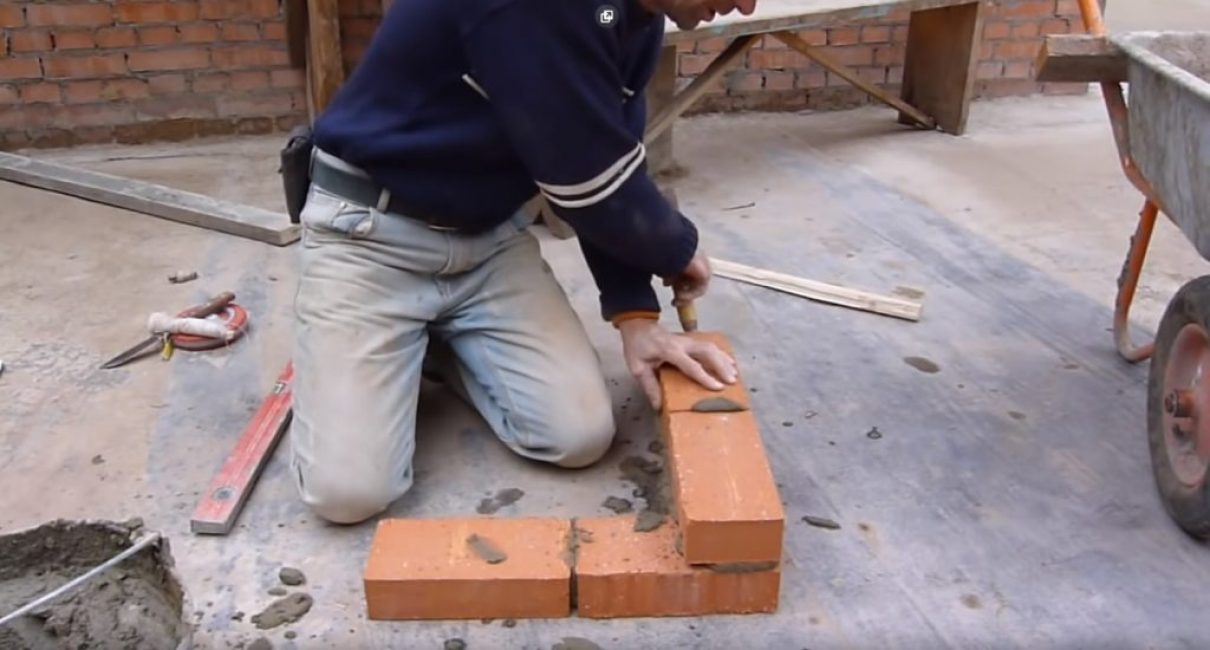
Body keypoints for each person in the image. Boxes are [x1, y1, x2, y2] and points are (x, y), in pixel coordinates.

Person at [291, 0, 758, 524]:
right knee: (348, 494)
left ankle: (438, 347)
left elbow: (608, 159)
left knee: (577, 436)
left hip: (488, 242)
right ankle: (389, 342)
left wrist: (636, 316)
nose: (746, 4)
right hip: (370, 237)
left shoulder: (629, 18)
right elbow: (585, 182)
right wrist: (675, 246)